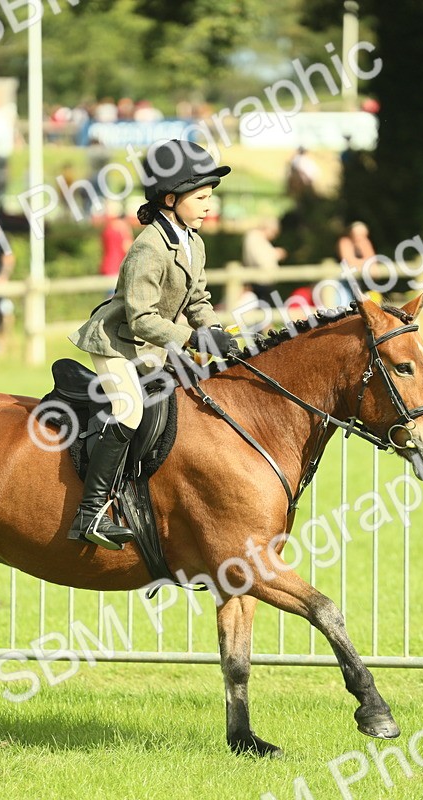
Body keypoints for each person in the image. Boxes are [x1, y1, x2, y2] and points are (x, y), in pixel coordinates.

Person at [67, 139, 238, 549]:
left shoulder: (194, 242)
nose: (208, 205)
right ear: (170, 198)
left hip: (151, 344)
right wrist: (194, 338)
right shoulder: (148, 246)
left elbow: (198, 300)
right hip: (116, 343)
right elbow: (140, 318)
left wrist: (218, 335)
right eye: (200, 197)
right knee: (127, 411)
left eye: (209, 196)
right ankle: (90, 514)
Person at [241, 218, 286, 305]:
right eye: (274, 232)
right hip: (260, 282)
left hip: (263, 281)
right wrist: (275, 254)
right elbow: (260, 259)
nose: (274, 236)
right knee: (274, 306)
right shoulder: (254, 238)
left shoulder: (258, 239)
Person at [99, 201, 133, 279]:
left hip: (106, 266)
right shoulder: (122, 229)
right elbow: (127, 248)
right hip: (116, 268)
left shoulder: (107, 227)